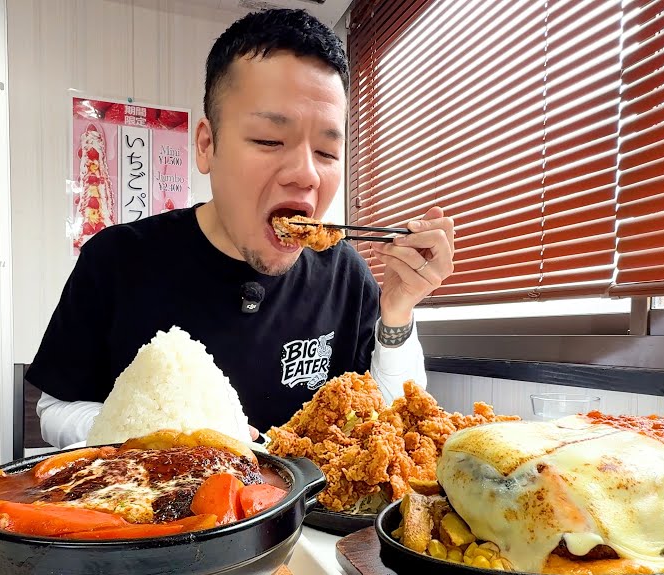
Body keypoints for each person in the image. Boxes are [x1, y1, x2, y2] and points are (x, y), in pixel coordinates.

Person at [27, 9, 456, 449]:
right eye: (269, 140)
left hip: (300, 518)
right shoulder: (117, 260)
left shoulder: (343, 274)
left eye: (328, 152)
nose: (306, 174)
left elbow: (393, 420)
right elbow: (55, 412)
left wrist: (399, 310)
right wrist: (170, 433)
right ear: (206, 144)